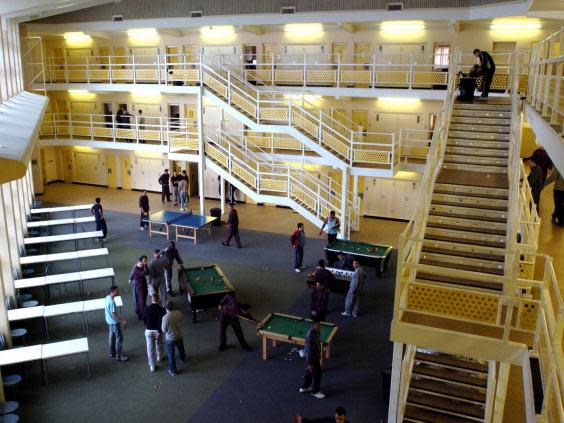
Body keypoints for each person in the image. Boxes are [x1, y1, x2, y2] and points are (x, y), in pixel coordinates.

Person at [299, 317, 325, 399]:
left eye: (319, 325)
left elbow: (316, 344)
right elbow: (310, 351)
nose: (319, 326)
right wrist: (310, 363)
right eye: (318, 325)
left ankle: (304, 387)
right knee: (317, 373)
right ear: (313, 325)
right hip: (312, 358)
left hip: (312, 357)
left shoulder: (315, 331)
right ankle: (315, 391)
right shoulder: (310, 335)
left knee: (309, 372)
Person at [162, 300, 186, 376]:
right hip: (179, 335)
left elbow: (163, 329)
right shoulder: (178, 313)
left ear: (166, 308)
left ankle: (173, 370)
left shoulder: (165, 317)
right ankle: (183, 358)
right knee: (181, 348)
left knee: (171, 354)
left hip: (170, 338)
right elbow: (181, 320)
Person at [105, 285, 128, 362]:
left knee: (111, 336)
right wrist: (122, 320)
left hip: (109, 321)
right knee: (119, 338)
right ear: (113, 291)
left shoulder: (107, 298)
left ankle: (112, 352)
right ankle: (119, 355)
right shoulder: (112, 302)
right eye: (117, 291)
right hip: (114, 322)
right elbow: (114, 314)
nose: (118, 292)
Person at [144, 294, 166, 372]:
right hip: (158, 331)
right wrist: (159, 331)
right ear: (158, 299)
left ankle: (152, 366)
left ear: (151, 299)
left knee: (150, 348)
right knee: (159, 343)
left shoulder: (146, 309)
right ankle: (159, 356)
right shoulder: (162, 310)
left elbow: (145, 320)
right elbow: (162, 322)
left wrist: (148, 326)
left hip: (149, 331)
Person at [129, 255, 149, 320]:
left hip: (143, 287)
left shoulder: (137, 266)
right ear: (140, 261)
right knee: (141, 302)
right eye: (144, 261)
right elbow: (146, 272)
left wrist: (131, 278)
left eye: (146, 261)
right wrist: (145, 265)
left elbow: (147, 272)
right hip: (140, 288)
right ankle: (142, 316)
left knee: (141, 302)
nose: (145, 262)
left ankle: (141, 314)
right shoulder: (137, 269)